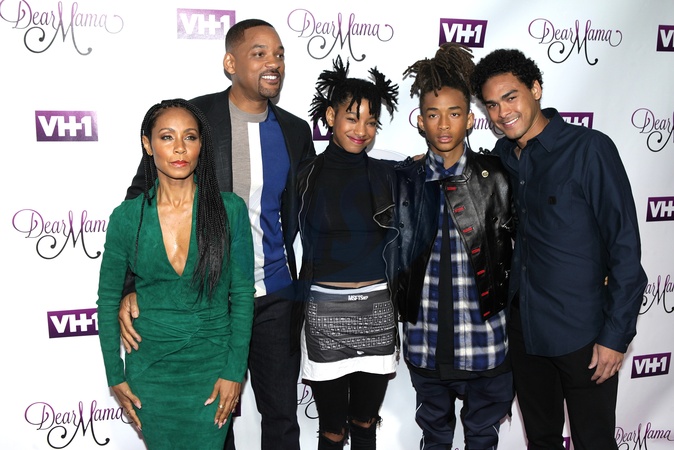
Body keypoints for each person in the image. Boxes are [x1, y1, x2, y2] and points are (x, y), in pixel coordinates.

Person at [118, 19, 316, 450]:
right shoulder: (194, 118)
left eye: (279, 54)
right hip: (207, 299)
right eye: (259, 53)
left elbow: (312, 204)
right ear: (230, 62)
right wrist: (131, 285)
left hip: (275, 294)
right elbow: (140, 203)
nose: (274, 63)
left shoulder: (296, 131)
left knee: (282, 416)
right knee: (211, 416)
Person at [470, 49, 648, 450]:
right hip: (525, 332)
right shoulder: (503, 157)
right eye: (492, 105)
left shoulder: (590, 149)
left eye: (511, 97)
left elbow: (624, 248)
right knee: (541, 440)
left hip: (583, 333)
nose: (502, 113)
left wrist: (615, 336)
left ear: (535, 89)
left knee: (594, 442)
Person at [96, 98, 255, 449]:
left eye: (190, 137)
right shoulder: (127, 217)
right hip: (150, 373)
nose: (180, 148)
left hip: (211, 368)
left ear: (201, 145)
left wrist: (234, 371)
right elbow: (107, 301)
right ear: (147, 144)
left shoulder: (229, 210)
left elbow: (243, 295)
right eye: (167, 137)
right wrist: (114, 375)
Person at [395, 43, 514, 450]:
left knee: (482, 440)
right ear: (420, 121)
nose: (444, 125)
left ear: (470, 119)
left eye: (455, 113)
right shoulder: (403, 181)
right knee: (434, 438)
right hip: (425, 343)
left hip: (485, 344)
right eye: (433, 114)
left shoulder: (499, 176)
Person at [296, 56, 400, 450]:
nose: (361, 130)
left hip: (377, 310)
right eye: (352, 118)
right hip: (324, 313)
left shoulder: (386, 175)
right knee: (332, 430)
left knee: (365, 422)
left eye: (371, 122)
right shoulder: (305, 176)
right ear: (330, 116)